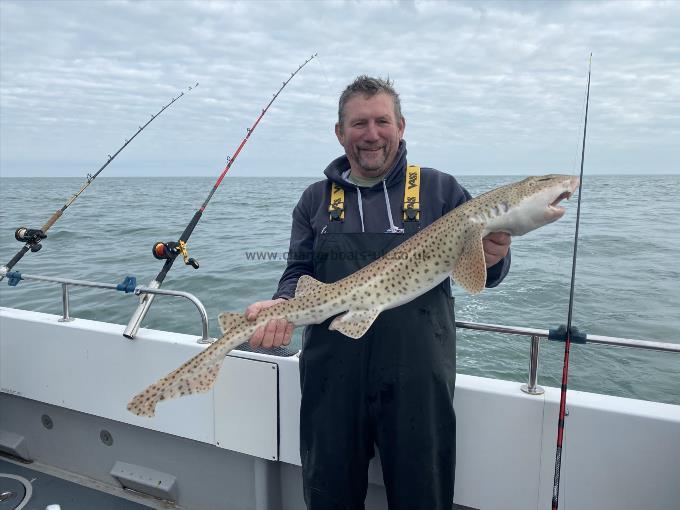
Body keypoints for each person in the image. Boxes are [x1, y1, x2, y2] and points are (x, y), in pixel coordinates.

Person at [244, 76, 511, 510]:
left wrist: (494, 257)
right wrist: (283, 302)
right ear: (340, 132)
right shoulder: (314, 200)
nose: (371, 135)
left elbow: (486, 275)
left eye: (382, 121)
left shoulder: (441, 192)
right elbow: (298, 270)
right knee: (328, 497)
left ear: (401, 126)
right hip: (330, 378)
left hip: (418, 377)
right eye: (359, 123)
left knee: (423, 497)